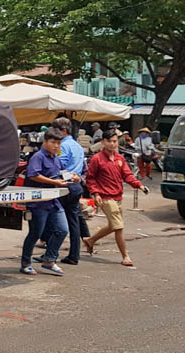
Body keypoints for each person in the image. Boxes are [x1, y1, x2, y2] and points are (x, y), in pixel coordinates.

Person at [83, 129, 149, 267]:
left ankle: (90, 240)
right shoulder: (97, 159)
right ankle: (125, 256)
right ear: (103, 142)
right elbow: (90, 179)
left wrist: (139, 185)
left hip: (118, 196)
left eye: (115, 141)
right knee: (118, 227)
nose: (113, 144)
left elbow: (128, 175)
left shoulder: (120, 158)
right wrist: (95, 193)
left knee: (114, 225)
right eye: (109, 141)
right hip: (105, 198)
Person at [20, 128, 70, 276]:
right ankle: (25, 264)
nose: (56, 146)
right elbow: (33, 175)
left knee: (62, 229)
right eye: (53, 142)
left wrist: (72, 177)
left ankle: (49, 259)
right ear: (46, 142)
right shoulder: (38, 157)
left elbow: (63, 173)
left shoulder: (55, 158)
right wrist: (55, 182)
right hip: (38, 203)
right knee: (36, 233)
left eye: (59, 143)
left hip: (53, 201)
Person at [48, 117, 87, 265]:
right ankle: (74, 254)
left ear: (63, 131)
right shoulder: (77, 145)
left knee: (55, 220)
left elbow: (59, 166)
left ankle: (50, 254)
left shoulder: (63, 146)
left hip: (65, 186)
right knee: (73, 221)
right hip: (76, 186)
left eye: (56, 131)